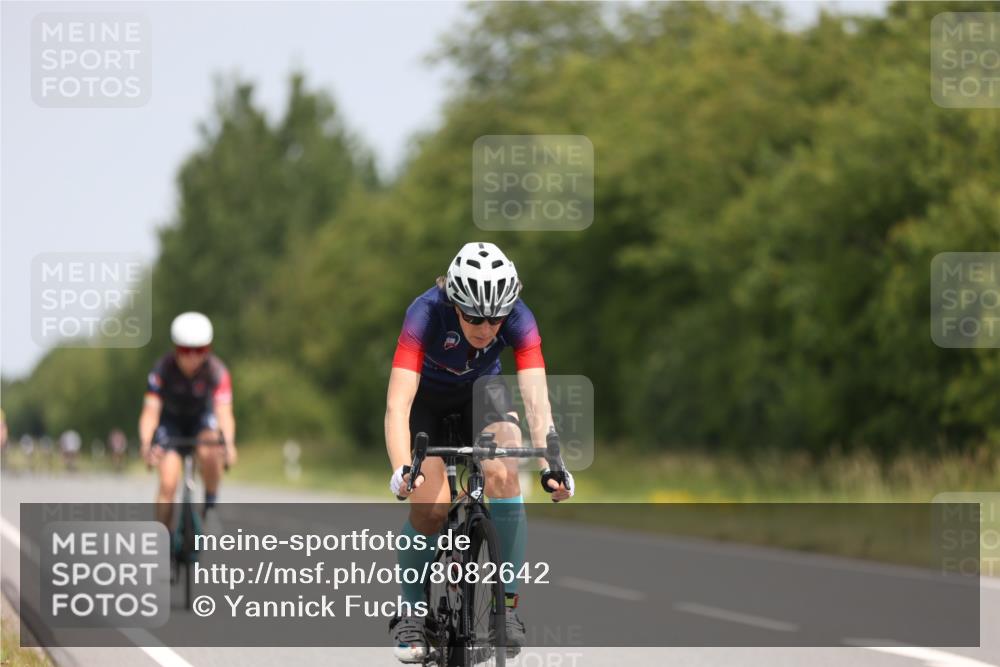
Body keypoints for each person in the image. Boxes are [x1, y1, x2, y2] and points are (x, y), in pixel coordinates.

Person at [385, 242, 575, 662]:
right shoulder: (425, 312)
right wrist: (402, 467)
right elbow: (398, 404)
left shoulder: (520, 318)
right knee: (431, 508)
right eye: (473, 316)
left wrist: (553, 462)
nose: (485, 327)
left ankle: (506, 609)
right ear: (454, 302)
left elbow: (536, 401)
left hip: (482, 395)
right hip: (426, 405)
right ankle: (412, 610)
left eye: (495, 318)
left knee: (506, 472)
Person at [139, 312, 237, 530]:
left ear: (208, 349)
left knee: (211, 452)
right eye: (185, 350)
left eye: (200, 350)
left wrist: (229, 444)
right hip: (170, 423)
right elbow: (150, 412)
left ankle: (210, 507)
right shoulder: (162, 370)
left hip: (201, 420)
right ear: (176, 349)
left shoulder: (217, 371)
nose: (193, 357)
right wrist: (146, 444)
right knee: (168, 482)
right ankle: (162, 537)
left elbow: (224, 412)